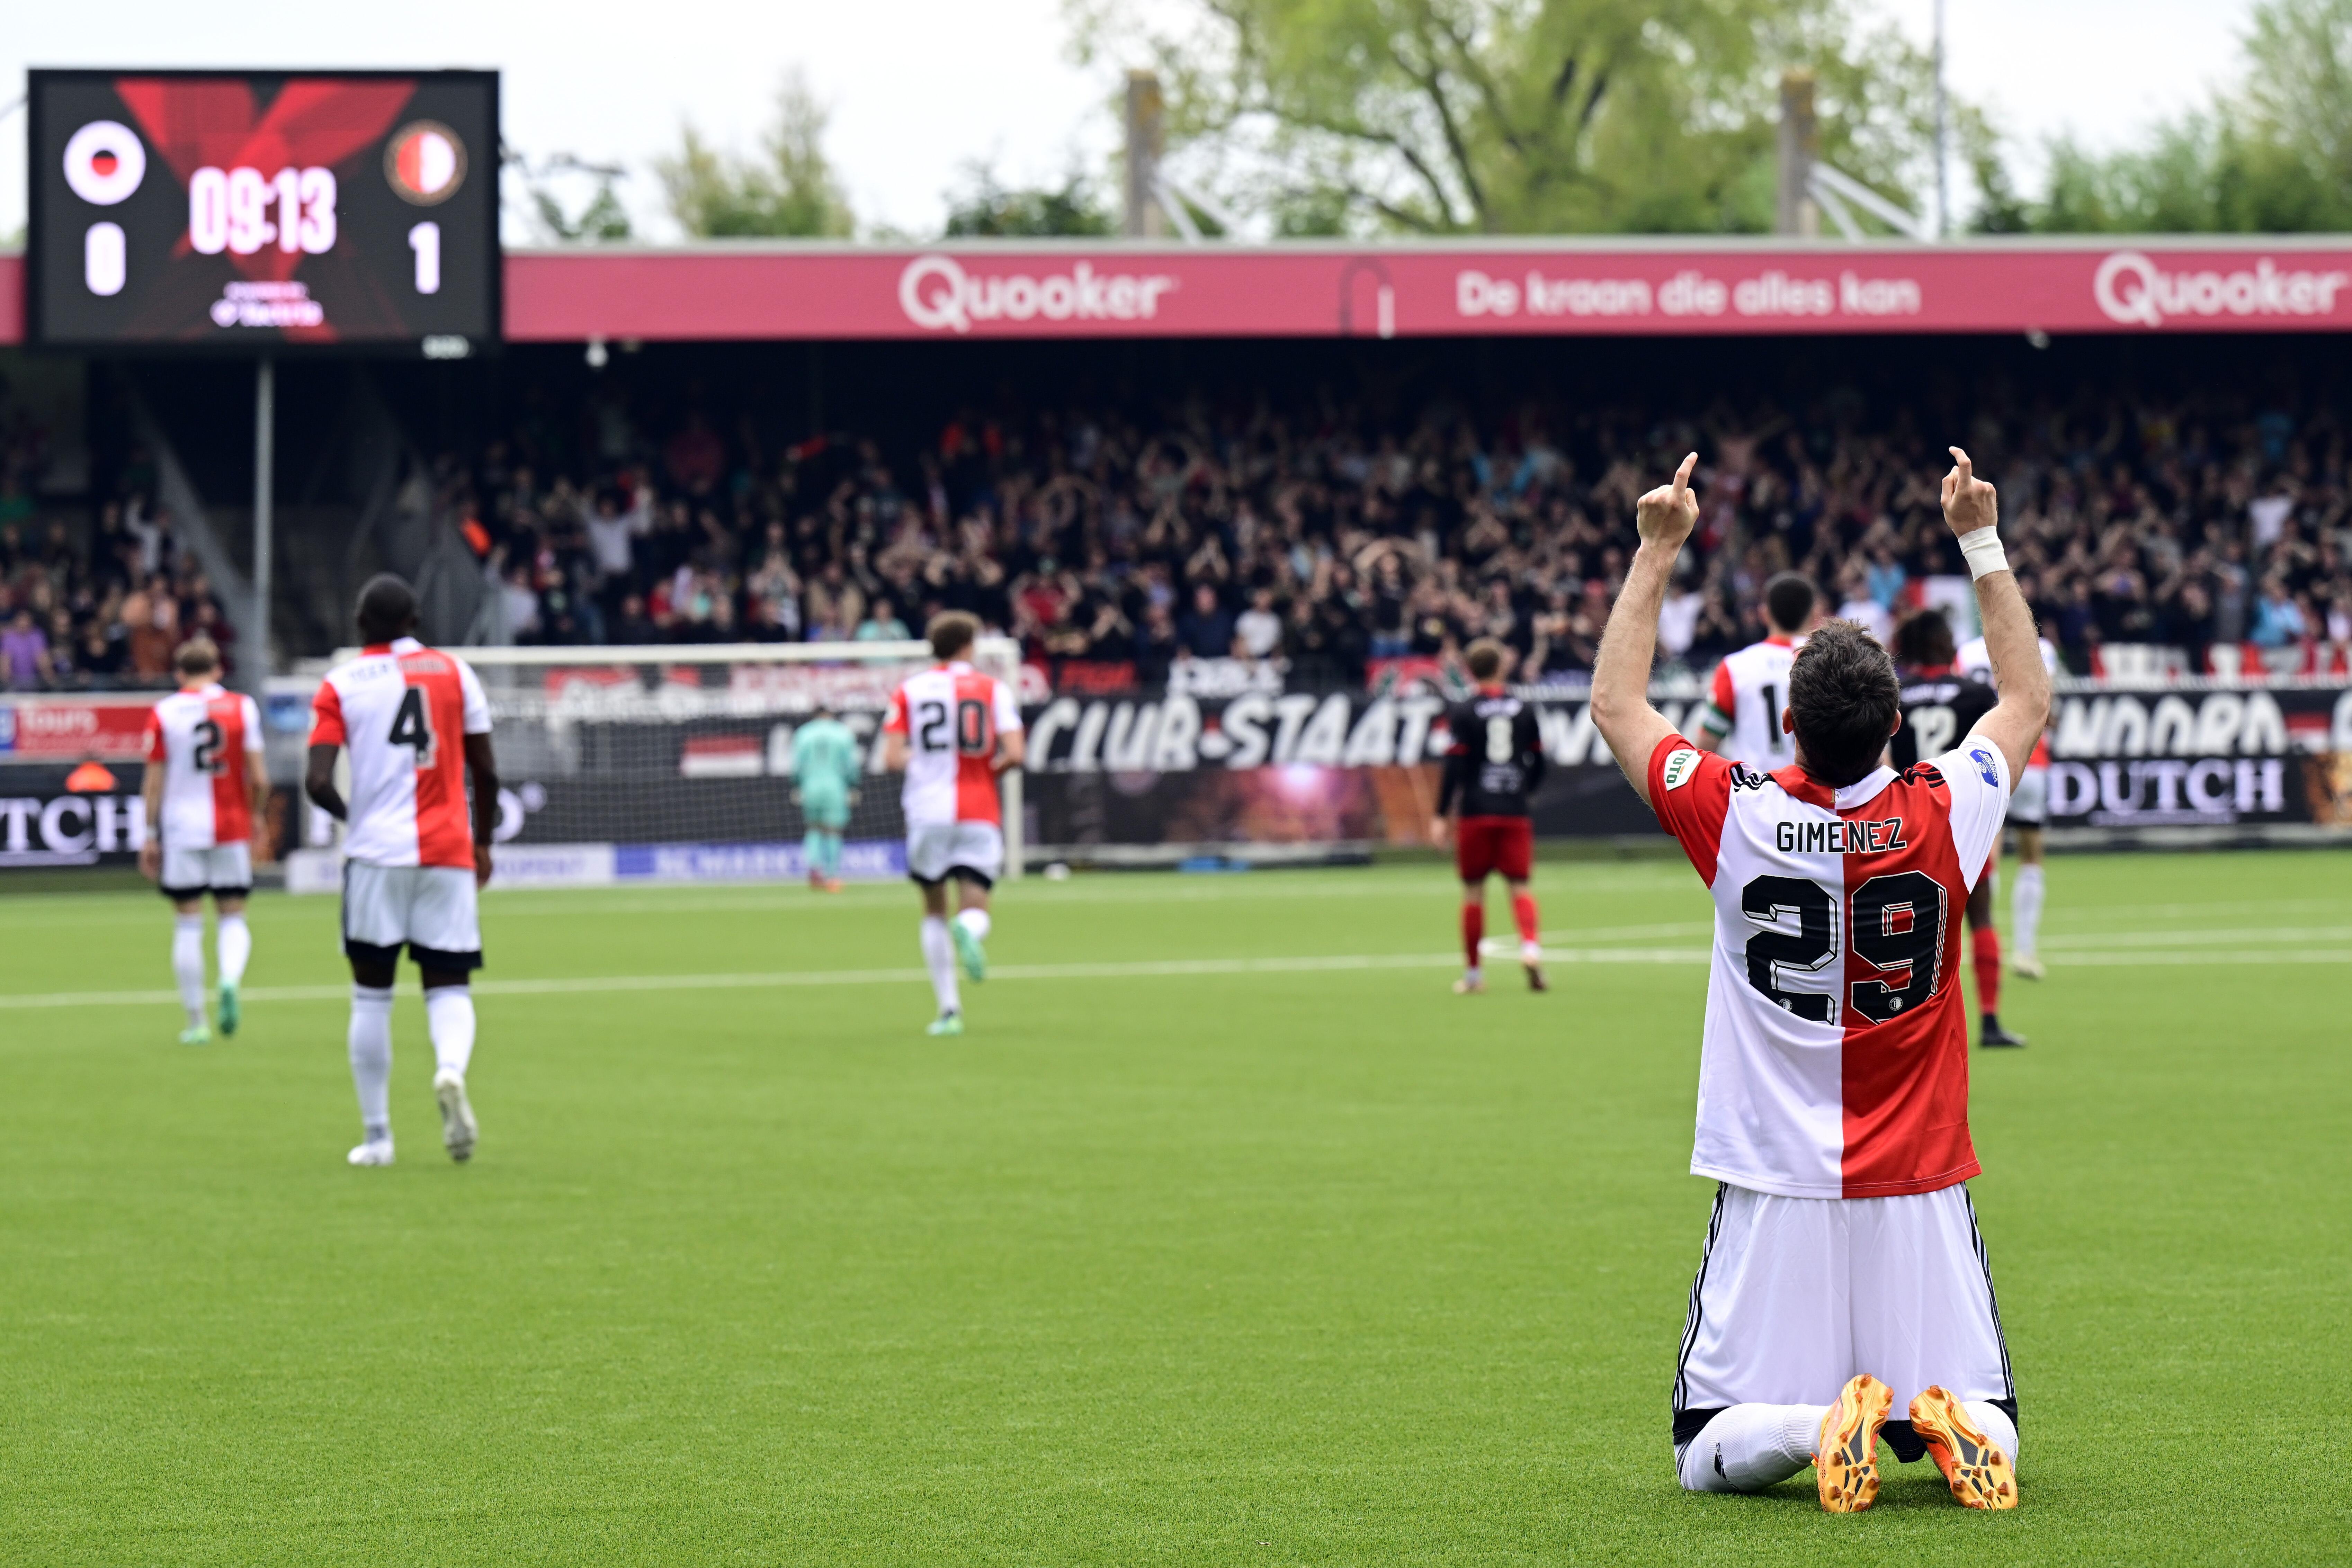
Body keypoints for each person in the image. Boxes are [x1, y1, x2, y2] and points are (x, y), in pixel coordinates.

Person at [1589, 449, 2049, 1514]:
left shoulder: (1736, 813)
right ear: (1896, 724)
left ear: (1787, 726)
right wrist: (1977, 537)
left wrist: (1656, 546)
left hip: (1774, 1176)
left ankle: (1808, 1425)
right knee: (1993, 1416)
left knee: (1703, 1444)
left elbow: (1615, 703)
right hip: (1919, 1177)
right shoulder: (1945, 805)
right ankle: (1941, 1423)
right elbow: (2023, 693)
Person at [305, 575, 499, 1167]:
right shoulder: (457, 672)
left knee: (371, 997)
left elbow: (316, 781)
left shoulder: (340, 682)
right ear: (416, 619)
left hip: (376, 856)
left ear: (361, 623)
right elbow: (487, 772)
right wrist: (482, 843)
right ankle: (448, 1070)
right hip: (446, 852)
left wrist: (354, 818)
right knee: (449, 985)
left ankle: (379, 1137)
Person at [881, 611, 1025, 1036]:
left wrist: (926, 765)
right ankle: (970, 928)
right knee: (976, 904)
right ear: (969, 646)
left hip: (927, 813)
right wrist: (984, 774)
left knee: (932, 909)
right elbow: (1015, 753)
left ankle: (948, 1010)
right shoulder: (992, 689)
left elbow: (891, 758)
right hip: (979, 809)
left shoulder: (908, 691)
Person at [1893, 612, 2027, 1048]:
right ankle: (1989, 1021)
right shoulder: (1973, 692)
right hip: (1961, 819)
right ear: (1937, 642)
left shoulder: (1897, 694)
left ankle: (1904, 1024)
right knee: (1981, 914)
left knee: (1907, 926)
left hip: (1908, 820)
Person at [137, 637, 267, 1044]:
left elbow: (154, 782)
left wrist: (150, 834)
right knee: (233, 916)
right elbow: (260, 777)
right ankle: (229, 978)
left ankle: (196, 1021)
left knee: (188, 924)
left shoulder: (165, 713)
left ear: (179, 672)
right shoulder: (242, 707)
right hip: (230, 826)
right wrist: (257, 817)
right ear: (217, 669)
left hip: (182, 828)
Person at [1429, 638, 1548, 993]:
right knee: (1520, 886)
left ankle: (1473, 975)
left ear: (1470, 670)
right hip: (1513, 808)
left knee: (1473, 893)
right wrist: (1523, 790)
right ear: (1500, 667)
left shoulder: (1464, 711)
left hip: (1475, 811)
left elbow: (1453, 766)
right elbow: (1539, 761)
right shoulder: (1524, 709)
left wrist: (1440, 815)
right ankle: (1529, 946)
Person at [1955, 628, 2061, 980]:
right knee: (2031, 854)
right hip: (2031, 760)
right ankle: (2026, 952)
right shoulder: (2041, 648)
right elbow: (2048, 705)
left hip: (1985, 760)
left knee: (1989, 857)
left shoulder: (1966, 652)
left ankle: (1984, 943)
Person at [1697, 572, 1816, 767]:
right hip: (1817, 794)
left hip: (1755, 791)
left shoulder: (1735, 667)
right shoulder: (1835, 663)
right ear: (1813, 614)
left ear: (1764, 614)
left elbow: (1705, 750)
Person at [793, 701, 862, 893]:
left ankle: (815, 869)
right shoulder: (842, 733)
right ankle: (832, 876)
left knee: (813, 829)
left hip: (811, 786)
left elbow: (797, 766)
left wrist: (798, 785)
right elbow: (851, 765)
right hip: (834, 786)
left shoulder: (803, 733)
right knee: (833, 831)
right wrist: (853, 785)